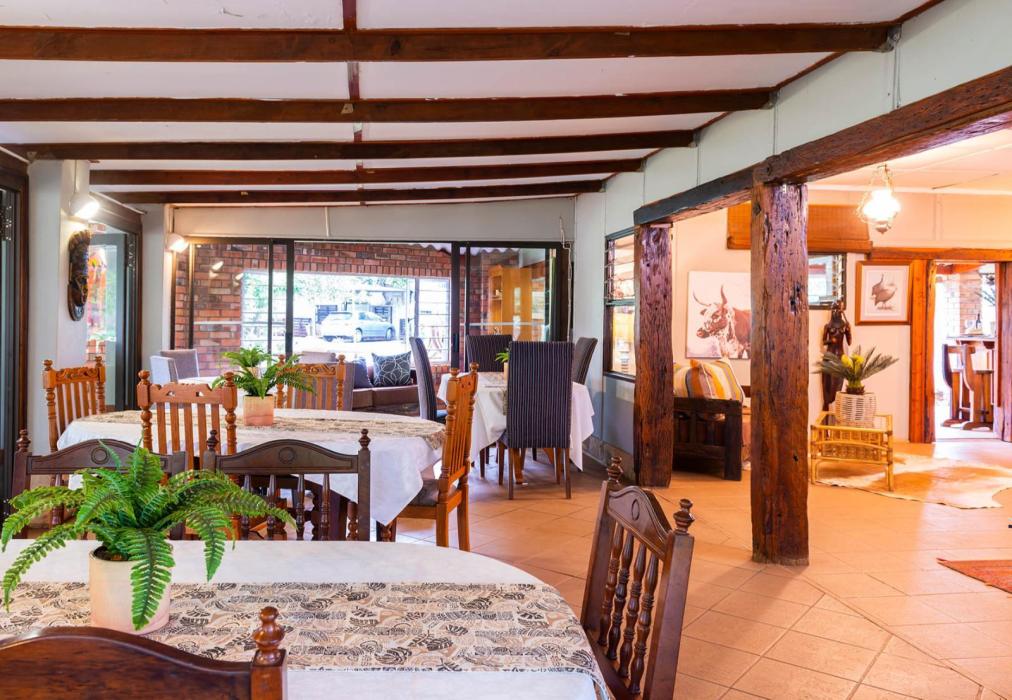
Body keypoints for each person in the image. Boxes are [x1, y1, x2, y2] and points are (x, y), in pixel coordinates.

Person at [821, 299, 852, 411]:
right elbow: (824, 341)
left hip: (840, 357)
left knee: (838, 384)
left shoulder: (844, 326)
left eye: (838, 310)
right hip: (829, 357)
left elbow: (849, 342)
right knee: (827, 383)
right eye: (834, 310)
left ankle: (835, 406)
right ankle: (826, 403)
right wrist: (831, 341)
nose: (836, 312)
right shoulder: (828, 326)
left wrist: (849, 331)